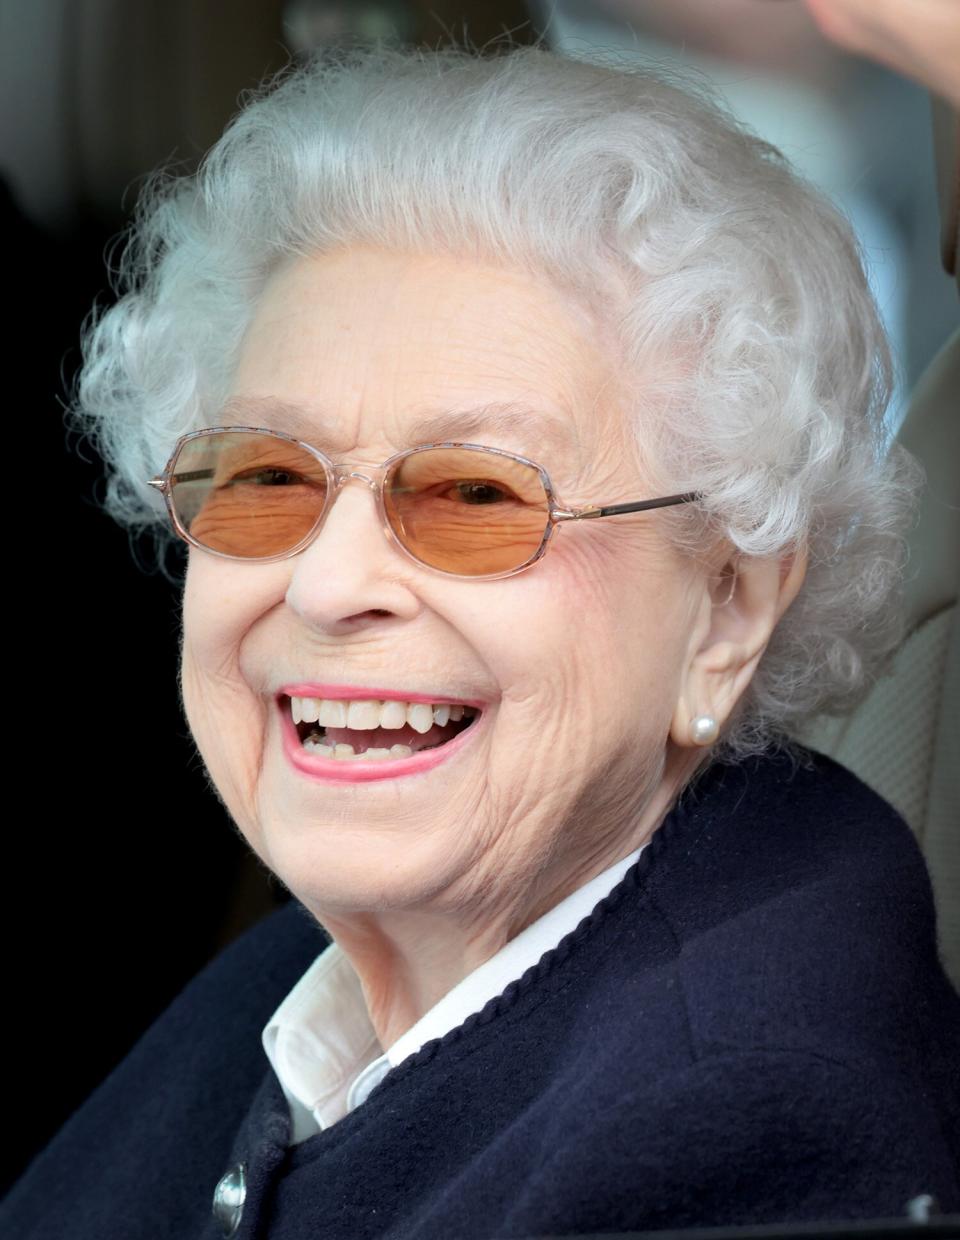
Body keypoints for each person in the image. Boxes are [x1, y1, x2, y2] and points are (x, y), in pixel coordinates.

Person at [5, 41, 959, 1240]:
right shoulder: (297, 992)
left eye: (473, 497)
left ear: (725, 609)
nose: (329, 582)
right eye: (265, 477)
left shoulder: (744, 1136)